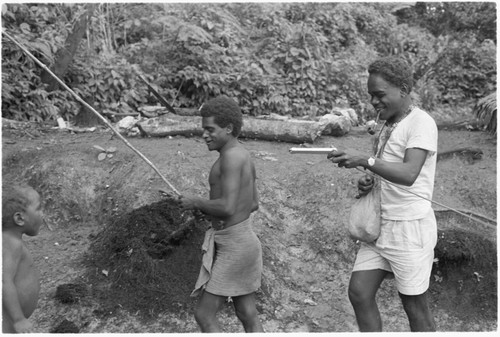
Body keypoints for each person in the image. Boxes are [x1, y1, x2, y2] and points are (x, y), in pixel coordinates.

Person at [327, 56, 438, 332]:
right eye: (371, 96)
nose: (374, 102)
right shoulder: (388, 124)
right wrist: (369, 180)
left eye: (379, 95)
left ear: (402, 89)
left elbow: (410, 173)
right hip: (380, 227)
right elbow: (385, 170)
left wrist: (366, 161)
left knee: (414, 306)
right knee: (359, 292)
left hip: (409, 229)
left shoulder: (421, 123)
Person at [178, 95, 264, 332]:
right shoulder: (242, 154)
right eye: (203, 129)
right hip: (243, 241)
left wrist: (196, 202)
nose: (204, 135)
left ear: (228, 128)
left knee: (204, 315)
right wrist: (210, 213)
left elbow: (227, 207)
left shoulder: (231, 158)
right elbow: (253, 203)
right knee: (247, 313)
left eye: (210, 129)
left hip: (235, 246)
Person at [2, 184, 44, 333]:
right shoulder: (10, 244)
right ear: (20, 218)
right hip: (8, 325)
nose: (42, 214)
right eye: (38, 209)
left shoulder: (12, 240)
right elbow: (4, 281)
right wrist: (18, 319)